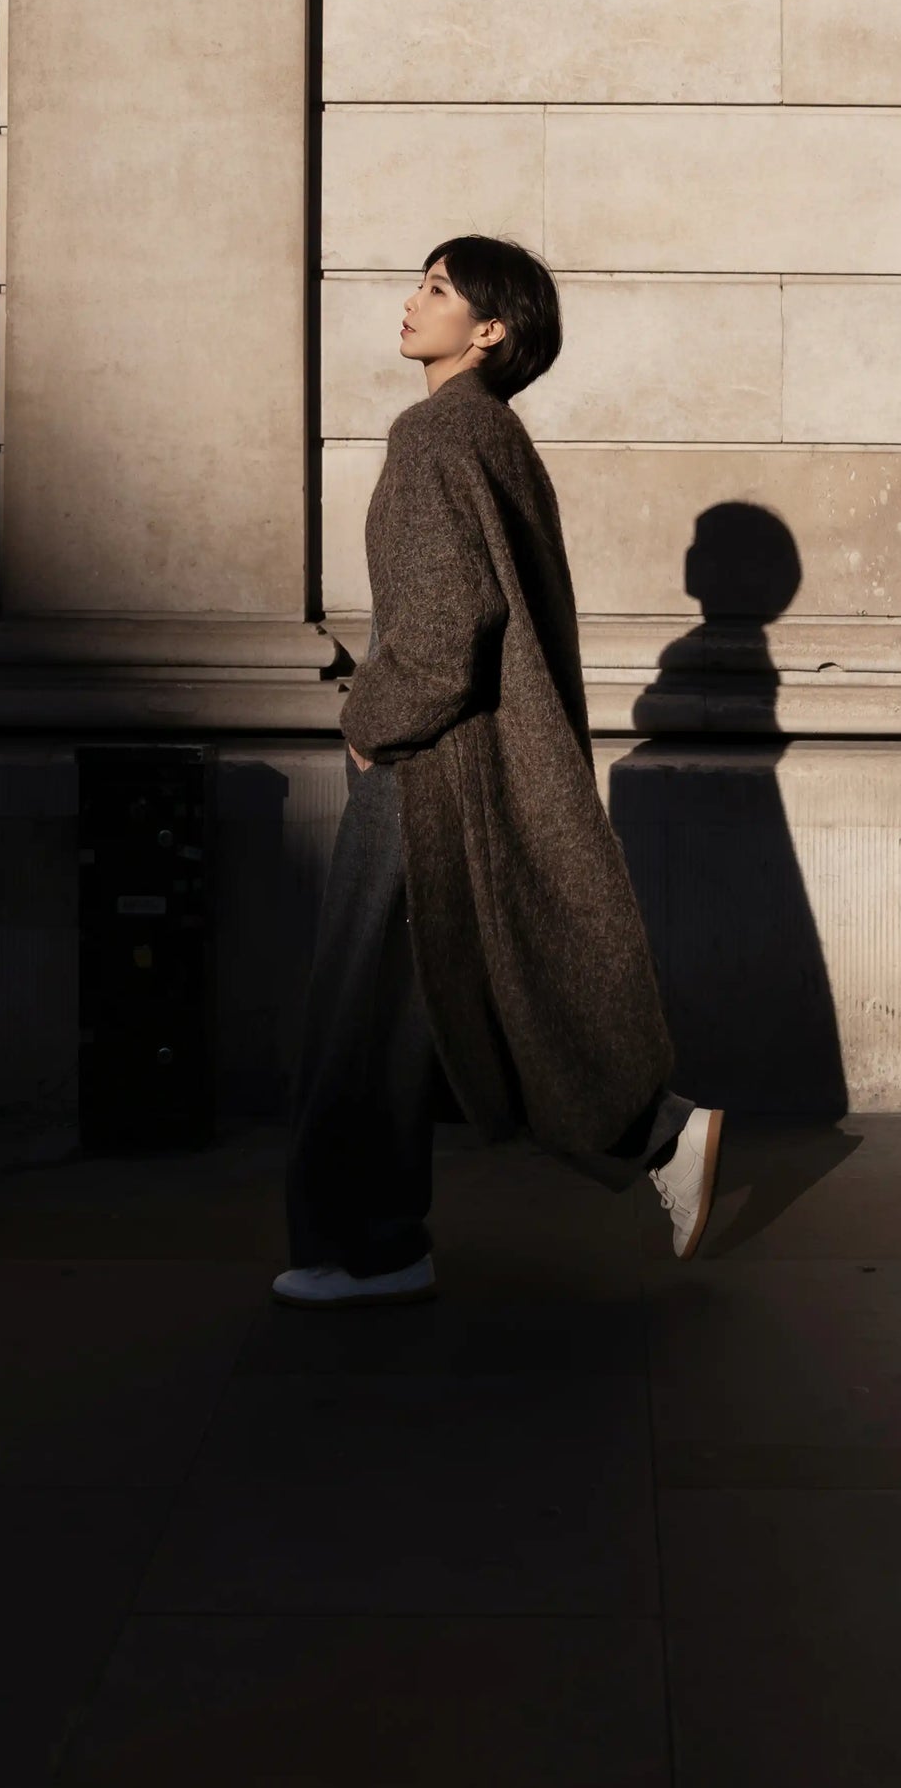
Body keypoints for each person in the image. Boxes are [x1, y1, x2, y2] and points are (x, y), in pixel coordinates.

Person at [274, 237, 723, 1307]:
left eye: (439, 289)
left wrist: (370, 723)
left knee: (360, 1015)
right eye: (421, 281)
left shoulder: (434, 432)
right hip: (471, 769)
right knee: (448, 1001)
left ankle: (369, 1249)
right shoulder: (494, 434)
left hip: (424, 769)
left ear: (489, 330)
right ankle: (648, 1138)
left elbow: (449, 625)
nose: (411, 300)